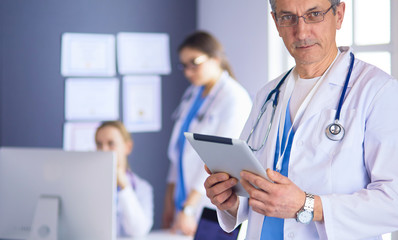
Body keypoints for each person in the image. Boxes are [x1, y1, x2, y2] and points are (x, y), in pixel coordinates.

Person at [204, 0, 398, 239]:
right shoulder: (268, 94)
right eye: (288, 18)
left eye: (314, 14)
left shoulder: (378, 91)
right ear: (275, 22)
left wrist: (308, 206)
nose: (302, 32)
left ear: (339, 15)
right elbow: (253, 184)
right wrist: (230, 201)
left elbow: (393, 203)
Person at [163, 31, 253, 236]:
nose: (188, 72)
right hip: (183, 202)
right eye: (184, 65)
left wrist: (189, 208)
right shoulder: (192, 94)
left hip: (207, 204)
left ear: (215, 58)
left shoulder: (234, 98)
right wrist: (169, 200)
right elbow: (178, 152)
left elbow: (219, 161)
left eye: (194, 62)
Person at [95, 121, 154, 237]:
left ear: (128, 147)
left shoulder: (142, 187)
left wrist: (124, 186)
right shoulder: (87, 185)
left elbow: (139, 231)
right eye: (99, 144)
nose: (104, 150)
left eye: (111, 143)